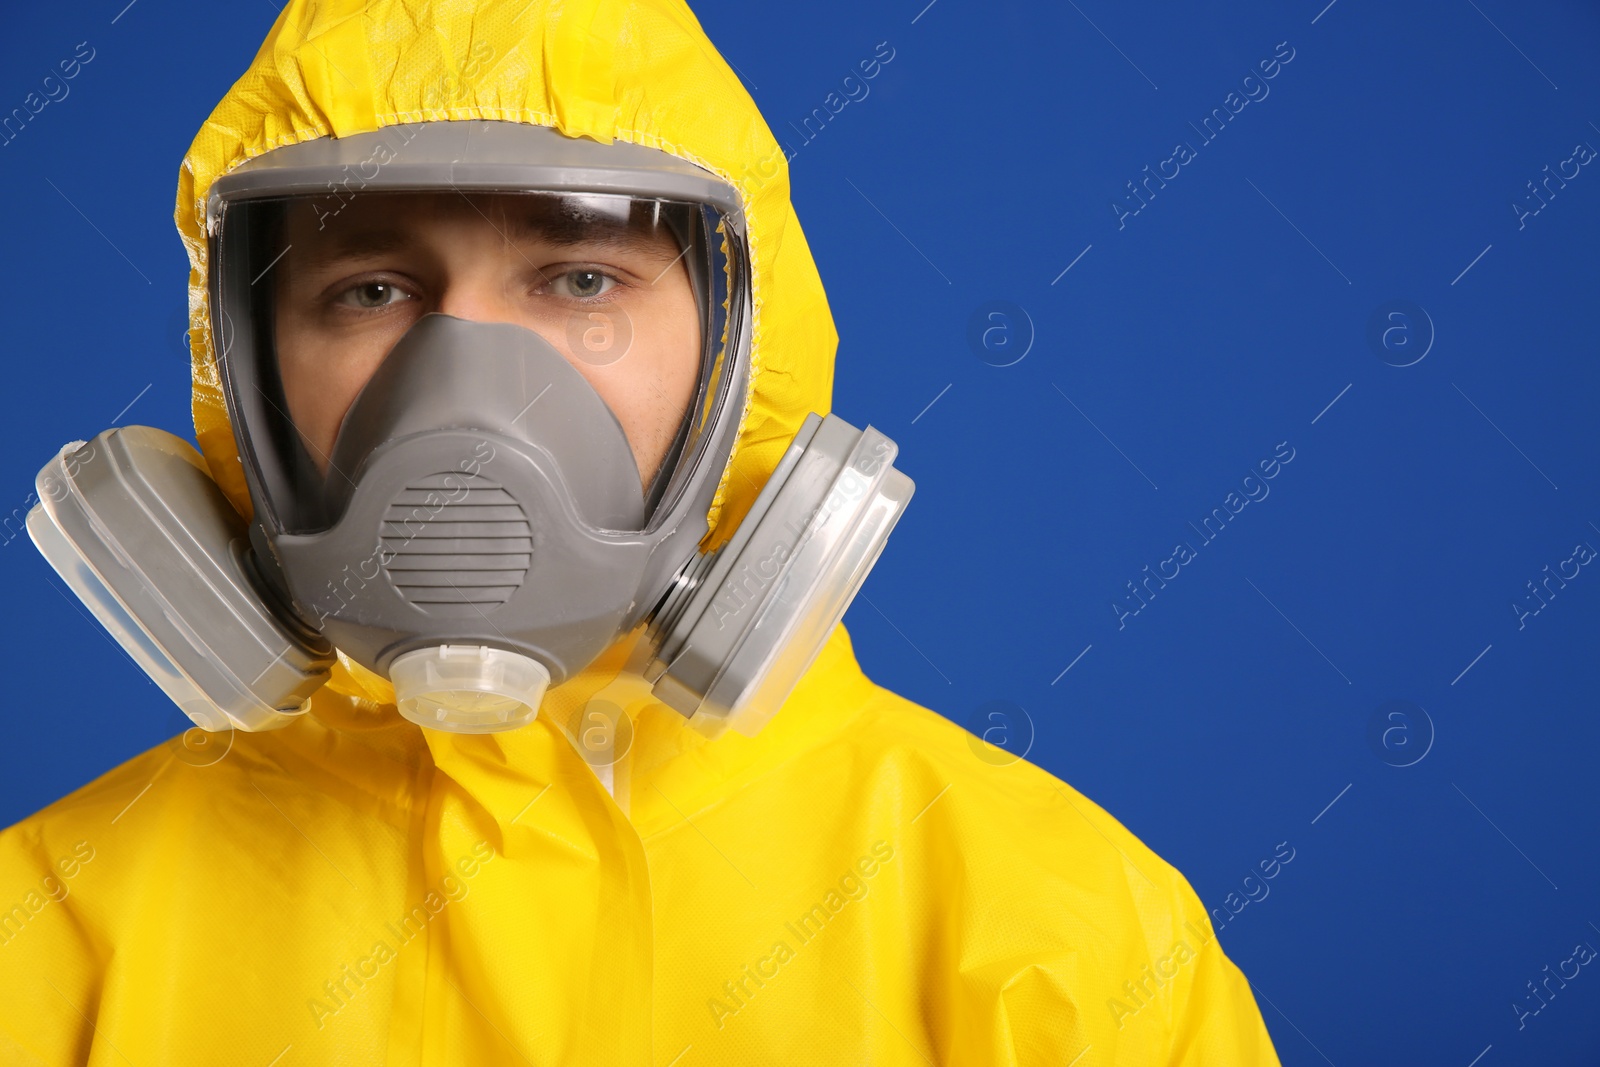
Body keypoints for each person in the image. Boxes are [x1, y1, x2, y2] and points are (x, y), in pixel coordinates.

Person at [0, 0, 1282, 1063]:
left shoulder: (1054, 941)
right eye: (373, 288)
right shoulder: (53, 940)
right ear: (247, 377)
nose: (468, 387)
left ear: (746, 354)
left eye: (581, 279)